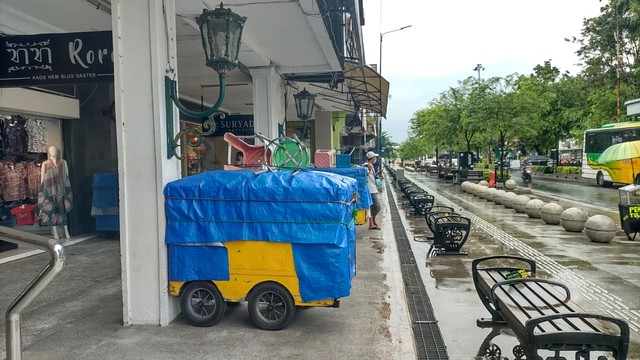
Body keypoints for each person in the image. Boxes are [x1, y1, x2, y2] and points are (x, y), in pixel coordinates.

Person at [38, 146, 73, 240]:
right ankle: (55, 233)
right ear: (49, 152)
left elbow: (67, 175)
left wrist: (66, 186)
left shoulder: (63, 162)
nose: (53, 151)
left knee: (62, 209)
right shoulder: (45, 163)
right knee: (51, 210)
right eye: (51, 150)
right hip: (49, 189)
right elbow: (42, 178)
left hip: (60, 187)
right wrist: (41, 190)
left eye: (54, 150)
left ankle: (66, 231)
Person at [365, 151, 381, 230]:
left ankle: (372, 223)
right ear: (372, 158)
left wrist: (377, 173)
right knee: (377, 207)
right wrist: (369, 169)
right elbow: (366, 175)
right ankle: (371, 223)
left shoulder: (371, 166)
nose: (375, 159)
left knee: (373, 207)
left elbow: (371, 176)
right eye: (374, 158)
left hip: (373, 188)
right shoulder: (367, 165)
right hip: (370, 190)